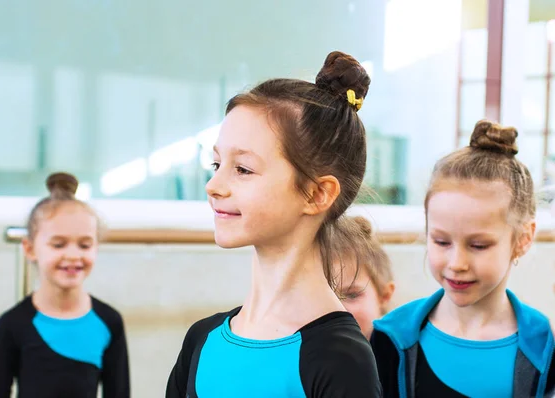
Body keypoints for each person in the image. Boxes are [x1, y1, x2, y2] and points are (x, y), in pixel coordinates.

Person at [166, 51, 381, 397]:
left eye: (243, 169)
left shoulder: (341, 360)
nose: (214, 186)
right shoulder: (200, 341)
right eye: (216, 164)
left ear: (316, 194)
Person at [371, 120, 555, 397]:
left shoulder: (546, 346)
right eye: (441, 241)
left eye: (479, 245)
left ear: (523, 239)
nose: (457, 263)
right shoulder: (390, 338)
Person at [0, 172, 130, 398]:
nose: (73, 255)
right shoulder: (12, 324)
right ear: (30, 248)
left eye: (84, 245)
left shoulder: (109, 322)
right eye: (59, 244)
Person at [335, 216, 395, 340]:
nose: (336, 310)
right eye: (320, 297)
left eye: (352, 295)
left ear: (384, 295)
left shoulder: (402, 354)